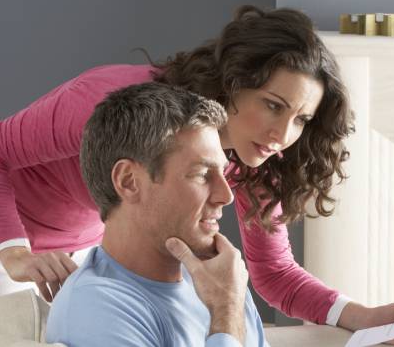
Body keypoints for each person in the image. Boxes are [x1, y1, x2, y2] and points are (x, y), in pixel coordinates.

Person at [0, 5, 394, 342]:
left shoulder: (255, 157)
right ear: (234, 82)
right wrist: (14, 252)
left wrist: (357, 317)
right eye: (273, 106)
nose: (283, 133)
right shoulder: (114, 108)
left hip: (88, 231)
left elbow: (275, 274)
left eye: (300, 119)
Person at [45, 82, 265, 346]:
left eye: (223, 173)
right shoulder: (95, 309)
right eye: (202, 174)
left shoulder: (221, 278)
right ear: (129, 182)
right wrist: (226, 310)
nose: (226, 195)